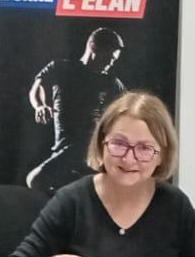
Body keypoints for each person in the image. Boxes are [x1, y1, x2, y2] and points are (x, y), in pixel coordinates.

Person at [1, 91, 195, 257]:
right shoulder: (72, 201)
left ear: (162, 155)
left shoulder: (175, 204)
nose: (128, 158)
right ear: (102, 143)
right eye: (119, 143)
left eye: (144, 148)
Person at [24, 27, 127, 193]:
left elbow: (127, 109)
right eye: (108, 57)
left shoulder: (111, 82)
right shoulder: (62, 68)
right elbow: (38, 86)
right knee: (58, 187)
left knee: (36, 179)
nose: (111, 63)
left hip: (86, 146)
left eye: (114, 59)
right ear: (93, 47)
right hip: (63, 147)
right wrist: (40, 105)